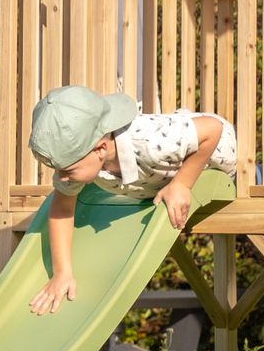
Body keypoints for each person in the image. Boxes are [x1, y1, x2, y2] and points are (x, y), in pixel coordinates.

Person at [25, 86, 236, 315]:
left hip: (214, 152)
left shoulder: (151, 143)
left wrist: (182, 184)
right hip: (160, 172)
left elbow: (212, 130)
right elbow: (62, 208)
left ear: (100, 149)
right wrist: (61, 273)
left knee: (237, 171)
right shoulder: (80, 160)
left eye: (66, 170)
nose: (60, 177)